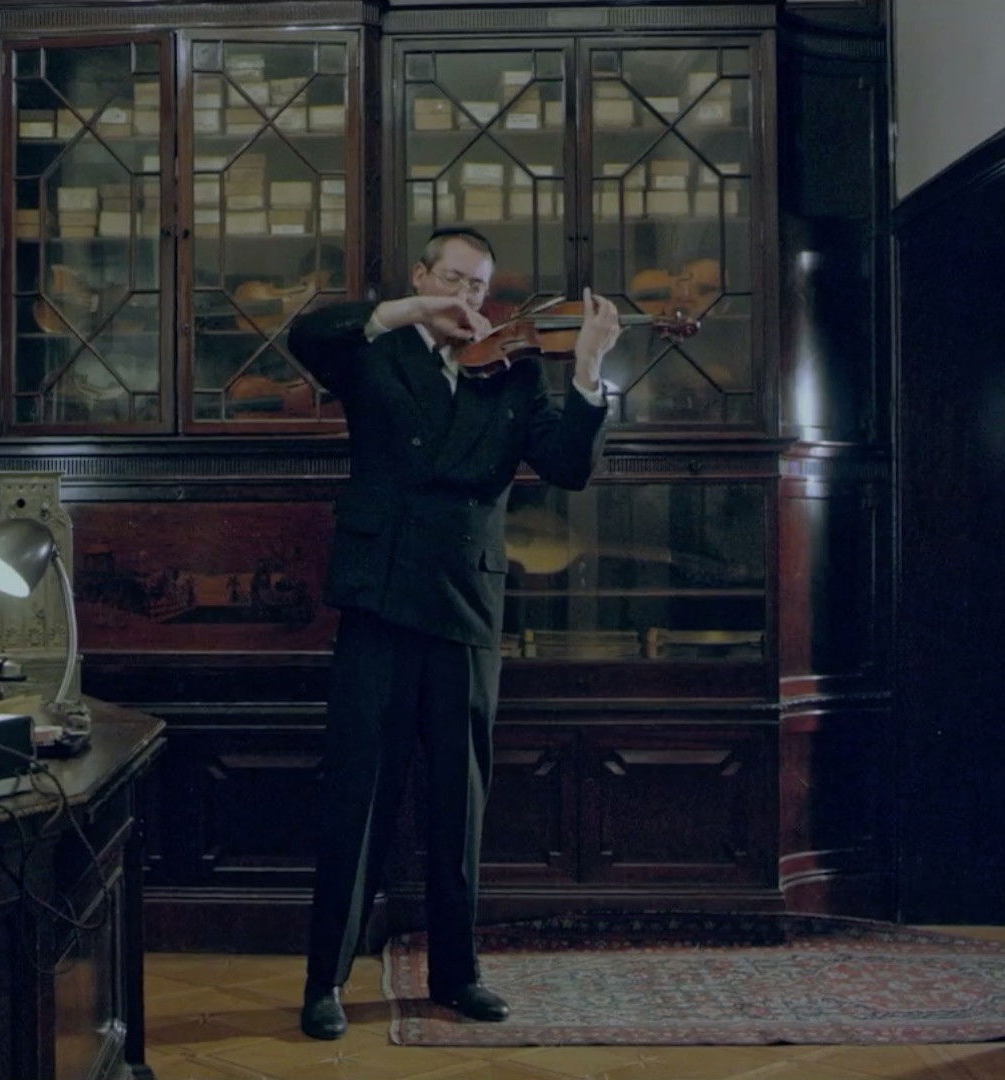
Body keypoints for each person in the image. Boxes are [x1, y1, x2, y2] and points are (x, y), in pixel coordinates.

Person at [285, 228, 621, 1036]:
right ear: (422, 276)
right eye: (453, 279)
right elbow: (307, 336)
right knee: (356, 797)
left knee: (457, 803)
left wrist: (587, 371)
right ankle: (325, 983)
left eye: (477, 286)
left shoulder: (514, 371)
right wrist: (409, 311)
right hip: (377, 600)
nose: (467, 297)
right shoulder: (376, 352)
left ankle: (457, 975)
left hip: (465, 604)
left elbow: (569, 468)